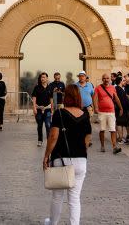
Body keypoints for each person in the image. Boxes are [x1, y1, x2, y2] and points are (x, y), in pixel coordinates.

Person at [42, 85, 92, 225]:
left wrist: (46, 156)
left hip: (61, 158)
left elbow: (53, 136)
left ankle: (53, 222)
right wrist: (82, 151)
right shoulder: (85, 115)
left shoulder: (60, 113)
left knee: (57, 196)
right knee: (75, 198)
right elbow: (88, 137)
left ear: (66, 96)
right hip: (81, 160)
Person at [93, 73, 123, 154]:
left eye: (107, 78)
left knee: (113, 130)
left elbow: (116, 98)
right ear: (102, 79)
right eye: (104, 78)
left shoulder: (113, 87)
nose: (106, 80)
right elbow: (95, 98)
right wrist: (95, 107)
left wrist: (121, 108)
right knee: (102, 129)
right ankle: (102, 146)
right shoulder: (98, 88)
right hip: (102, 112)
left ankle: (114, 147)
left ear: (109, 79)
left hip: (111, 111)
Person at [32, 72, 53, 147]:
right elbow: (34, 98)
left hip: (47, 109)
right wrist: (34, 108)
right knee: (40, 126)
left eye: (44, 77)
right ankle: (40, 140)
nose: (42, 78)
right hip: (39, 109)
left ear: (47, 78)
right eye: (41, 77)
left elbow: (51, 99)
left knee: (48, 125)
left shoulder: (50, 87)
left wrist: (52, 110)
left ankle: (49, 140)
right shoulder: (37, 87)